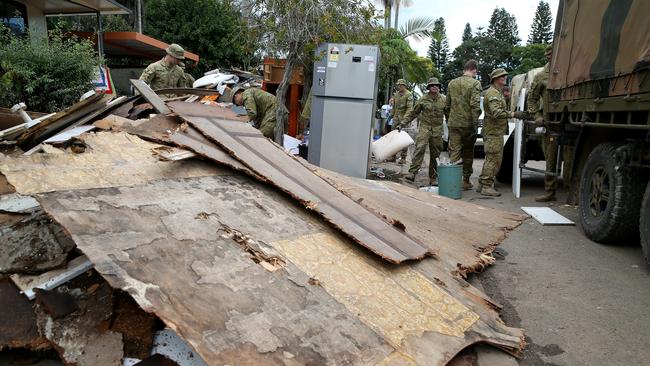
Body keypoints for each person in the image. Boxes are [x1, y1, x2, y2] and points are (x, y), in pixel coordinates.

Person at [477, 68, 525, 196]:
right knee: (494, 160)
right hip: (493, 132)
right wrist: (514, 114)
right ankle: (486, 186)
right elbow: (497, 112)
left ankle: (482, 184)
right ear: (495, 79)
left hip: (495, 132)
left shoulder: (497, 92)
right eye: (501, 76)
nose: (504, 78)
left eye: (504, 76)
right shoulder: (493, 94)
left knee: (491, 159)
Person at [399, 77, 446, 186]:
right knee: (419, 148)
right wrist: (402, 123)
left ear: (439, 87)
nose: (434, 86)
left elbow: (449, 115)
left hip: (437, 130)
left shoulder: (444, 99)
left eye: (436, 85)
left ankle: (433, 178)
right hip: (425, 127)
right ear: (429, 87)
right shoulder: (423, 99)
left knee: (436, 154)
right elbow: (413, 113)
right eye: (432, 85)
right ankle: (412, 173)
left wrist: (453, 129)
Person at [445, 60, 482, 190]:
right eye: (476, 71)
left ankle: (452, 182)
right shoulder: (475, 83)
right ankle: (465, 181)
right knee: (468, 153)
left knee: (454, 152)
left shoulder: (452, 83)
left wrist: (450, 119)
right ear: (473, 70)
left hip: (454, 124)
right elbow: (475, 105)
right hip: (467, 124)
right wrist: (475, 123)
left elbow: (447, 105)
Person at [528, 45, 557, 202]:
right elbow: (531, 99)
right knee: (550, 160)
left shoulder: (569, 73)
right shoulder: (541, 76)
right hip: (550, 124)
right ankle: (549, 191)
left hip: (568, 123)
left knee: (570, 159)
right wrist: (537, 115)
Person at [390, 79, 414, 164]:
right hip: (396, 119)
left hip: (405, 120)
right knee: (393, 138)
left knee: (404, 139)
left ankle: (403, 157)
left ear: (404, 85)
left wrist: (404, 121)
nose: (399, 86)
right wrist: (390, 116)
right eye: (398, 85)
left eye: (400, 85)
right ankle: (393, 156)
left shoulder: (409, 95)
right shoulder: (396, 95)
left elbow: (410, 109)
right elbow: (394, 107)